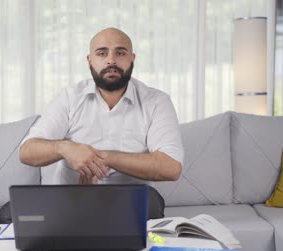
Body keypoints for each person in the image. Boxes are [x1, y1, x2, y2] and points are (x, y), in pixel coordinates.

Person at [19, 27, 183, 185]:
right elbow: (27, 152)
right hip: (72, 198)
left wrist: (99, 158)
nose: (111, 60)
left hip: (130, 202)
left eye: (120, 53)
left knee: (152, 203)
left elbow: (171, 167)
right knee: (12, 212)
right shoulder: (69, 98)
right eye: (102, 53)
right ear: (90, 60)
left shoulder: (157, 101)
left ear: (132, 59)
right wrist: (65, 148)